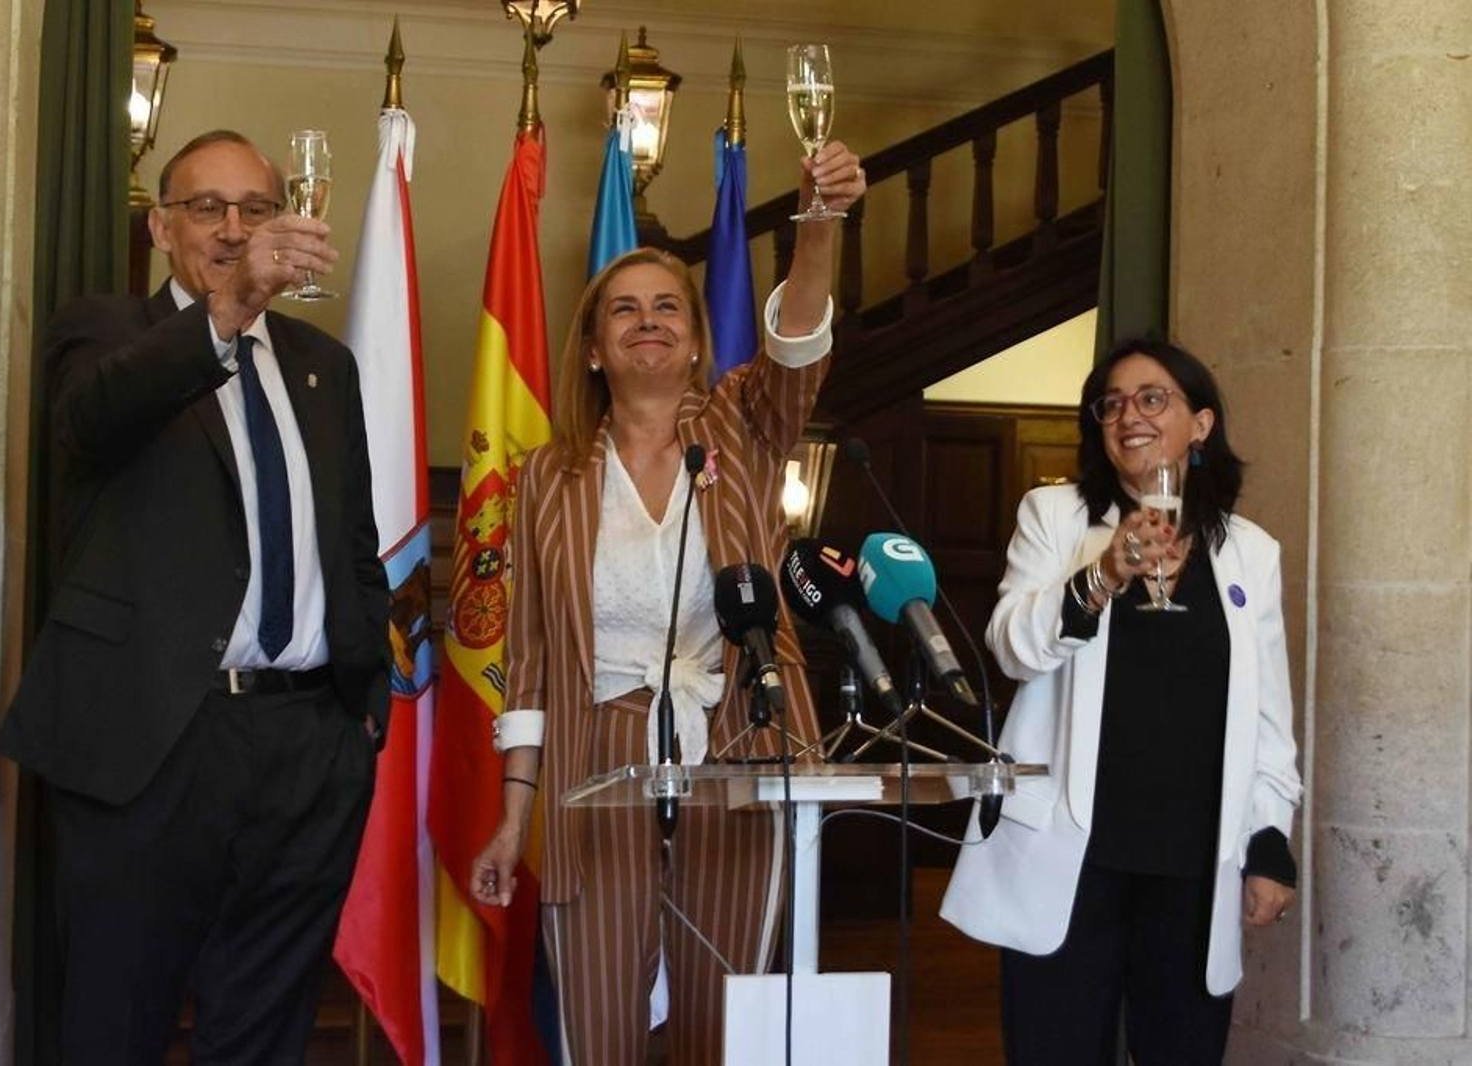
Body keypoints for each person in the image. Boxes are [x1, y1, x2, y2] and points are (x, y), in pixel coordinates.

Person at [466, 144, 866, 1064]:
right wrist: (513, 817)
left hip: (735, 737)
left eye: (667, 308)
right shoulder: (548, 478)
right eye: (624, 311)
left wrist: (819, 225)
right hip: (593, 757)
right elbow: (526, 660)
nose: (647, 323)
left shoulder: (742, 423)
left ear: (692, 339)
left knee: (722, 1028)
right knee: (599, 1026)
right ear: (597, 349)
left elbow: (800, 345)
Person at [0, 129, 389, 1064]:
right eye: (207, 208)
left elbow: (354, 544)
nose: (232, 228)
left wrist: (359, 708)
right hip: (153, 740)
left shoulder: (322, 367)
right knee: (112, 1025)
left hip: (307, 749)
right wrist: (229, 306)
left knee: (264, 1028)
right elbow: (93, 423)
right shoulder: (103, 334)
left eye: (256, 208)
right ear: (163, 226)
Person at [941, 339, 1303, 1063]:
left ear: (1200, 424)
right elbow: (1012, 645)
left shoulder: (1250, 553)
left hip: (1194, 861)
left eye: (1151, 398)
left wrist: (1269, 842)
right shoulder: (1056, 517)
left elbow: (1268, 718)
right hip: (1074, 857)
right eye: (1111, 403)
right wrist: (1102, 575)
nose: (1127, 415)